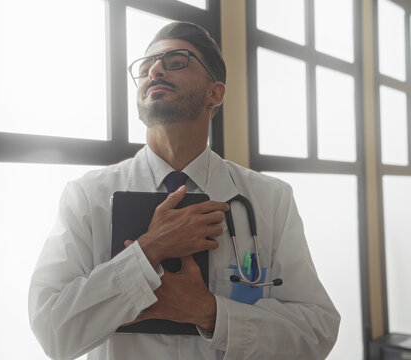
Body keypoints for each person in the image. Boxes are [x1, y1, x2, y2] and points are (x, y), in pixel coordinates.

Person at [28, 21, 340, 360]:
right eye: (146, 67)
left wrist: (211, 313)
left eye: (176, 61)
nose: (155, 70)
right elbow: (52, 331)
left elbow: (316, 333)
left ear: (214, 93)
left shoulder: (270, 199)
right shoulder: (87, 197)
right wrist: (148, 251)